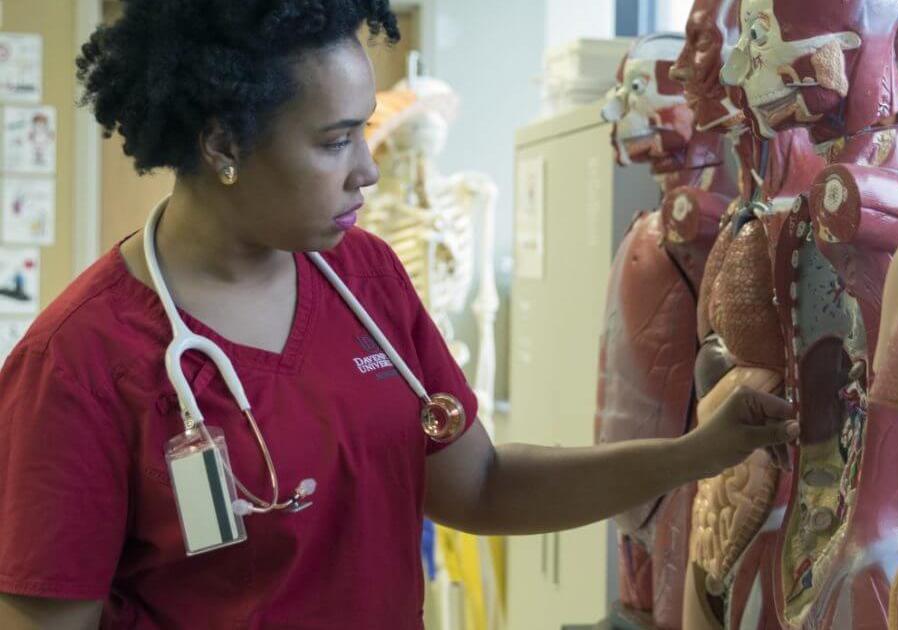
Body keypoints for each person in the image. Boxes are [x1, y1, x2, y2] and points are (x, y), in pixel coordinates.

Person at [0, 1, 799, 628]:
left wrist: (696, 454)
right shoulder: (77, 365)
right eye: (335, 141)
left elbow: (479, 487)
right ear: (222, 145)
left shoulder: (363, 279)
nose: (368, 171)